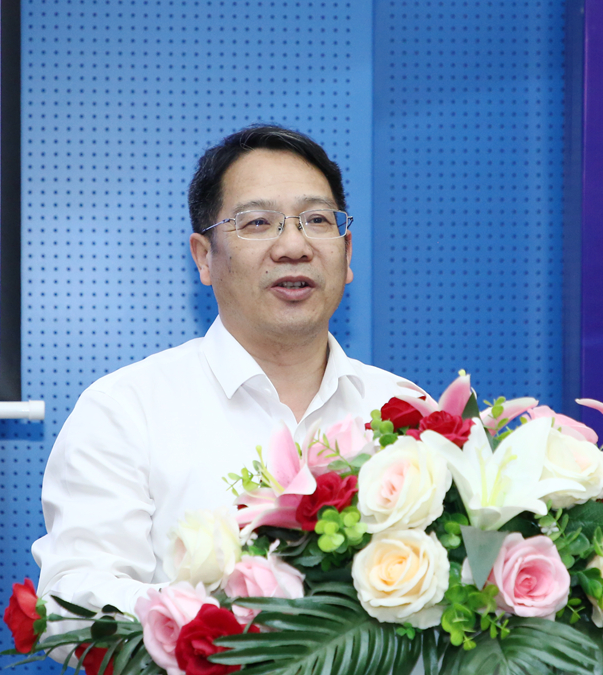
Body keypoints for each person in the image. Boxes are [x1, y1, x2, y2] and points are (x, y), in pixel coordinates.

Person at [31, 124, 417, 621]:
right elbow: (73, 603)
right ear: (204, 257)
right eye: (258, 223)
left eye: (317, 220)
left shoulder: (405, 409)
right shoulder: (126, 411)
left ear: (346, 253)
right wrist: (224, 615)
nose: (294, 246)